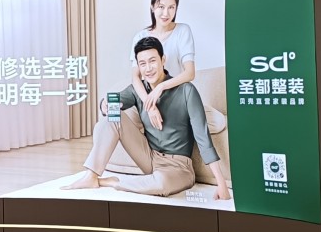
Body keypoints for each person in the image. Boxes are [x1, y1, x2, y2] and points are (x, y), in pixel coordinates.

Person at [63, 36, 230, 199]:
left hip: (179, 167)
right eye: (142, 64)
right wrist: (104, 104)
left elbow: (202, 137)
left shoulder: (186, 91)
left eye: (152, 61)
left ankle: (111, 183)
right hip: (149, 158)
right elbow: (112, 104)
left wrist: (221, 183)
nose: (148, 68)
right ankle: (91, 176)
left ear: (163, 60)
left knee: (162, 183)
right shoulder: (138, 90)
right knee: (113, 116)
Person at [131, 0, 196, 131]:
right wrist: (150, 104)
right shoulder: (140, 37)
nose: (166, 13)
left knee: (217, 121)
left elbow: (190, 72)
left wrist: (161, 87)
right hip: (150, 98)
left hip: (177, 96)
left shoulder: (183, 31)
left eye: (171, 7)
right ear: (152, 7)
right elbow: (135, 77)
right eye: (161, 6)